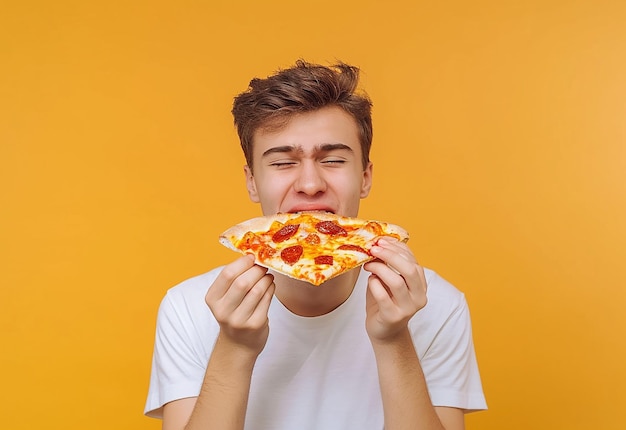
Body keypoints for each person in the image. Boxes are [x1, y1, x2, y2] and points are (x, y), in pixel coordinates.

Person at [144, 60, 487, 430]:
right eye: (283, 163)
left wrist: (394, 341)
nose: (310, 184)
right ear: (252, 183)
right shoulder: (188, 307)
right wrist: (234, 347)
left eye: (334, 160)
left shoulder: (434, 304)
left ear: (365, 177)